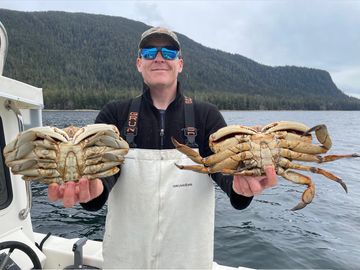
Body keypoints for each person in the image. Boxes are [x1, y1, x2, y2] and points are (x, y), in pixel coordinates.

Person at [48, 26, 277, 269]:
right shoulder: (114, 115)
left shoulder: (206, 116)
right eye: (150, 52)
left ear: (180, 63)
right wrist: (91, 190)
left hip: (188, 259)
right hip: (124, 258)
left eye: (168, 53)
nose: (159, 58)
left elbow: (224, 175)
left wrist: (241, 188)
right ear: (139, 63)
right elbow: (102, 180)